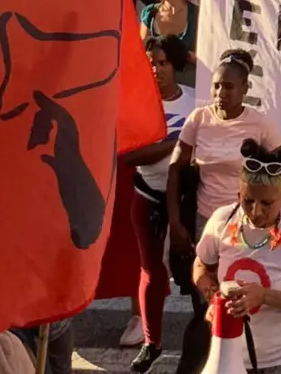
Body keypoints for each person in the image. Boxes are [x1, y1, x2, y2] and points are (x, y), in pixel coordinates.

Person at [168, 50, 281, 374]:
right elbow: (176, 169)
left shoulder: (259, 124)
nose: (221, 93)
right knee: (205, 304)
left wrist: (268, 212)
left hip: (246, 230)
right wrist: (175, 222)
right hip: (206, 223)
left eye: (229, 87)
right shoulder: (199, 119)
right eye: (217, 86)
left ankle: (241, 363)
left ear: (245, 88)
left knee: (240, 303)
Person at [192, 140, 281, 374]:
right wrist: (213, 297)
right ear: (239, 192)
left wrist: (264, 296)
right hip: (230, 355)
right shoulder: (222, 220)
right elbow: (201, 266)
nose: (256, 211)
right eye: (247, 201)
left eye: (267, 203)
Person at [119, 36, 197, 373]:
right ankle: (151, 343)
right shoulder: (137, 103)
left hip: (189, 199)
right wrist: (176, 143)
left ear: (175, 65)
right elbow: (129, 156)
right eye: (151, 62)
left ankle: (206, 335)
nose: (156, 68)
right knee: (151, 270)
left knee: (199, 273)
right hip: (148, 196)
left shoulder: (196, 101)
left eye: (163, 62)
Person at [139, 0, 199, 83]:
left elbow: (206, 59)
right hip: (155, 87)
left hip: (187, 89)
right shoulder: (150, 14)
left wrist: (185, 55)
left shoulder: (198, 16)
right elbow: (141, 55)